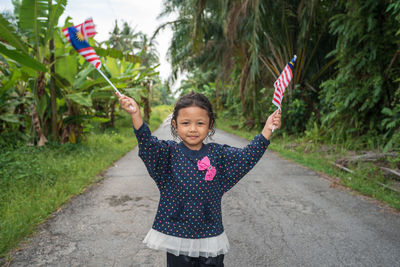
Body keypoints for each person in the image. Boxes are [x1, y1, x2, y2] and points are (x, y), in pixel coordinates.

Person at [117, 92, 281, 267]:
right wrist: (136, 115)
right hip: (177, 237)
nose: (193, 129)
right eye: (186, 123)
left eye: (200, 123)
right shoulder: (167, 154)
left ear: (210, 125)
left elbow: (246, 157)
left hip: (211, 237)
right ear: (175, 124)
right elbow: (147, 144)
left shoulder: (219, 154)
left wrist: (267, 129)